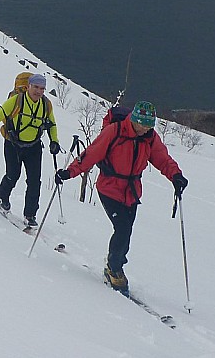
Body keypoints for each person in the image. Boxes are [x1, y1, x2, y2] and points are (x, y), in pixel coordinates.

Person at [54, 100, 188, 293]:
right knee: (123, 228)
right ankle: (114, 268)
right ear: (134, 120)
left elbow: (162, 158)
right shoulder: (114, 131)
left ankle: (116, 263)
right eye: (142, 124)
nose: (145, 129)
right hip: (109, 188)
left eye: (149, 125)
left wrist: (176, 176)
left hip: (132, 191)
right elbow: (91, 154)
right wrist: (69, 172)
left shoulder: (149, 137)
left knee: (127, 230)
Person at [0, 73, 61, 227]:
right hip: (13, 144)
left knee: (34, 181)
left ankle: (30, 215)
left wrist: (54, 141)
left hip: (34, 146)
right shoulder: (16, 101)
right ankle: (3, 198)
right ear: (28, 86)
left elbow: (51, 124)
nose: (38, 91)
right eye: (36, 87)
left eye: (42, 89)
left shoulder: (46, 105)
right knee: (13, 175)